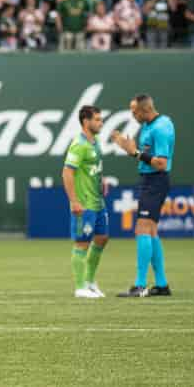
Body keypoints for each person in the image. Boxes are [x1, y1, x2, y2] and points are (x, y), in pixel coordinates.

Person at [111, 94, 175, 297]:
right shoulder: (149, 125)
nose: (132, 115)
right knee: (151, 231)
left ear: (145, 110)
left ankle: (140, 285)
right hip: (149, 180)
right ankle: (162, 285)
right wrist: (131, 150)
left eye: (134, 111)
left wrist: (134, 153)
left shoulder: (161, 128)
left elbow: (161, 163)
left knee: (141, 229)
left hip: (156, 180)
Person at [63, 106, 109, 299]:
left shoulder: (96, 142)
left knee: (102, 238)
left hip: (98, 201)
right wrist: (74, 201)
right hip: (85, 202)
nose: (101, 123)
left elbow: (94, 167)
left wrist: (102, 180)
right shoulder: (78, 145)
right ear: (85, 121)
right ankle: (80, 287)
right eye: (97, 119)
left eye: (101, 119)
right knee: (82, 242)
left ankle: (90, 282)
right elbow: (67, 172)